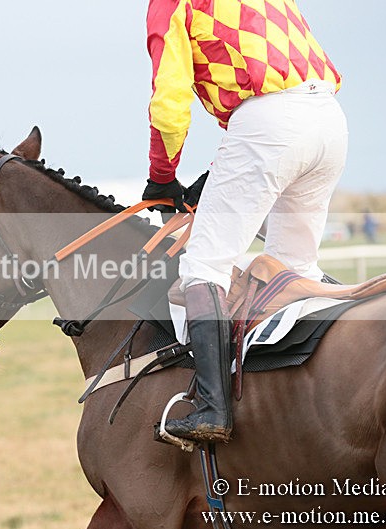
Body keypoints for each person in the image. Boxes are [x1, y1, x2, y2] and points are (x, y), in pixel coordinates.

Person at [142, 1, 347, 443]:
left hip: (269, 122)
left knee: (203, 268)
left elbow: (169, 105)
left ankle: (212, 409)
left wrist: (162, 177)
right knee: (292, 270)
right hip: (328, 118)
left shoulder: (170, 5)